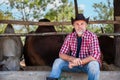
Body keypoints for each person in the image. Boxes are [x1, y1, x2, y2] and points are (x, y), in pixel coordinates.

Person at [46, 14, 101, 80]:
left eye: (82, 24)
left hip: (86, 65)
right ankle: (53, 78)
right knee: (58, 61)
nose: (79, 26)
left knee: (94, 65)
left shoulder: (92, 36)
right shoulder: (69, 37)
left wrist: (78, 62)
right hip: (72, 65)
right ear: (73, 25)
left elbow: (95, 55)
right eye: (77, 24)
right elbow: (61, 54)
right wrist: (72, 59)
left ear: (86, 25)